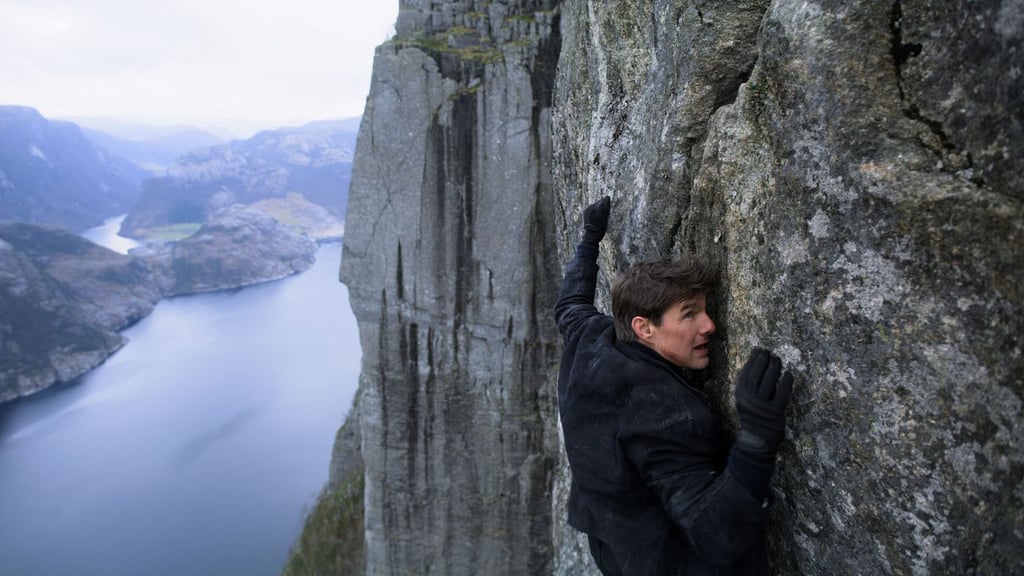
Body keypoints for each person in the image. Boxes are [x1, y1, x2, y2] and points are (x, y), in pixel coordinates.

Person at [555, 196, 794, 575]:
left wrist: (589, 239)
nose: (709, 326)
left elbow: (570, 304)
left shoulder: (592, 337)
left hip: (610, 543)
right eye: (689, 315)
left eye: (704, 310)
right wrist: (757, 440)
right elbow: (717, 533)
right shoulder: (666, 415)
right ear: (643, 327)